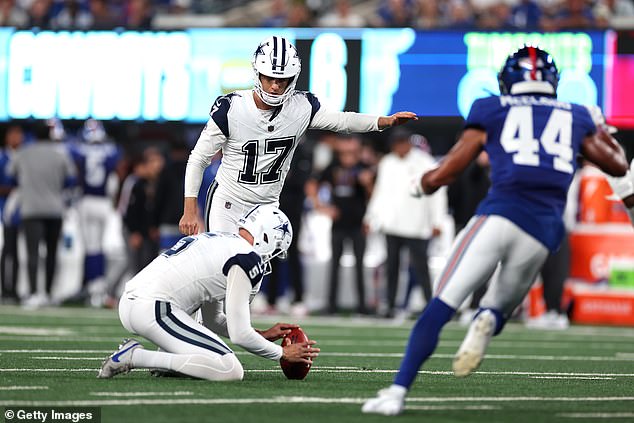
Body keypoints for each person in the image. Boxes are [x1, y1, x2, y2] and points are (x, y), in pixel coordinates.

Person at [362, 45, 628, 416]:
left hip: (499, 216)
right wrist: (599, 129)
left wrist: (423, 183)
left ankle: (396, 392)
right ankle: (488, 317)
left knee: (440, 305)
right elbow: (617, 165)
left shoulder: (491, 108)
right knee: (500, 306)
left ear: (508, 79)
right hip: (544, 231)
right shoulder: (577, 114)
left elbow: (450, 169)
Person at [179, 35, 417, 237]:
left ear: (291, 79)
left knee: (252, 278)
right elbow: (198, 158)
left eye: (281, 80)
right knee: (223, 271)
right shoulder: (231, 108)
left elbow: (342, 121)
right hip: (228, 202)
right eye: (269, 78)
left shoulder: (301, 108)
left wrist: (383, 122)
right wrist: (190, 209)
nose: (274, 86)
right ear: (257, 74)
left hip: (267, 205)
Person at [97, 204, 319, 381]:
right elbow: (240, 334)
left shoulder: (221, 242)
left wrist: (261, 334)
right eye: (275, 250)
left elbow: (212, 320)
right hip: (154, 308)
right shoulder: (246, 257)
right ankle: (135, 356)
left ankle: (164, 360)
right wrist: (281, 353)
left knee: (213, 356)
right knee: (230, 369)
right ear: (267, 238)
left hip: (137, 303)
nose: (270, 258)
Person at [364, 128, 446, 318]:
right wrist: (370, 217)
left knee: (421, 268)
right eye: (396, 143)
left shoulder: (424, 162)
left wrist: (437, 220)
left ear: (409, 143)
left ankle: (429, 305)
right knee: (391, 267)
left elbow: (437, 194)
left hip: (416, 225)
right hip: (392, 224)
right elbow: (380, 192)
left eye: (402, 142)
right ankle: (390, 305)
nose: (399, 147)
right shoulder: (387, 162)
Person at [7, 119, 77, 308]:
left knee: (32, 253)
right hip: (55, 209)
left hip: (31, 209)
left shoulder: (23, 153)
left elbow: (10, 175)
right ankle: (48, 293)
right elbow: (70, 179)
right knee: (52, 253)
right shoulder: (60, 155)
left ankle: (32, 294)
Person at [307, 134, 374, 315]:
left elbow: (376, 196)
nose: (347, 157)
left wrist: (367, 184)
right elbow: (312, 184)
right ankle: (331, 305)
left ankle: (362, 305)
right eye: (344, 153)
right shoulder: (333, 167)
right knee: (334, 265)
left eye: (350, 153)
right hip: (339, 223)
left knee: (360, 265)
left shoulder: (364, 168)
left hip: (358, 223)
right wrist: (321, 206)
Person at [66, 119, 121, 306]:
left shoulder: (79, 150)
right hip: (104, 202)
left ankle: (94, 287)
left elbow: (75, 175)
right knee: (99, 246)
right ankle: (98, 287)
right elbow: (114, 179)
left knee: (91, 247)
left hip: (87, 200)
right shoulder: (111, 151)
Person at [0, 123, 23, 304]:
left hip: (22, 208)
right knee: (7, 249)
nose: (17, 138)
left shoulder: (24, 156)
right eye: (14, 134)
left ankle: (13, 289)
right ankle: (5, 289)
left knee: (16, 251)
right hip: (5, 208)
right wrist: (13, 191)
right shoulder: (2, 157)